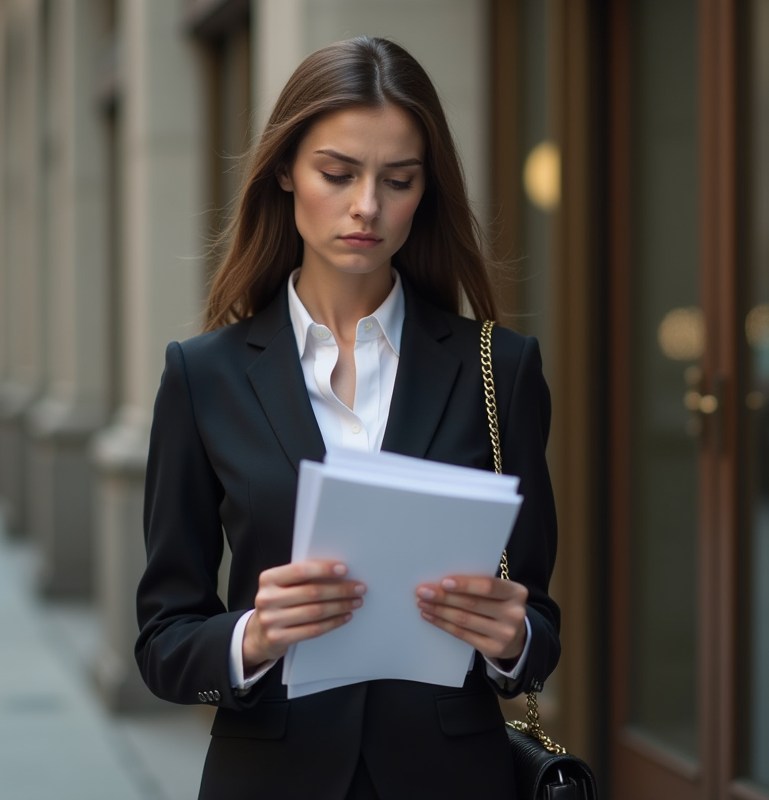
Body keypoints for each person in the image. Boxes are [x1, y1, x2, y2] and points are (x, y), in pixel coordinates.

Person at [134, 37, 560, 800]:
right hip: (269, 776)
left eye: (398, 180)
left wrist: (513, 638)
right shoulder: (203, 376)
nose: (367, 206)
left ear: (425, 191)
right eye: (338, 174)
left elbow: (537, 620)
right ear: (286, 175)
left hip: (454, 780)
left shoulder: (501, 369)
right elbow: (164, 641)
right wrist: (252, 636)